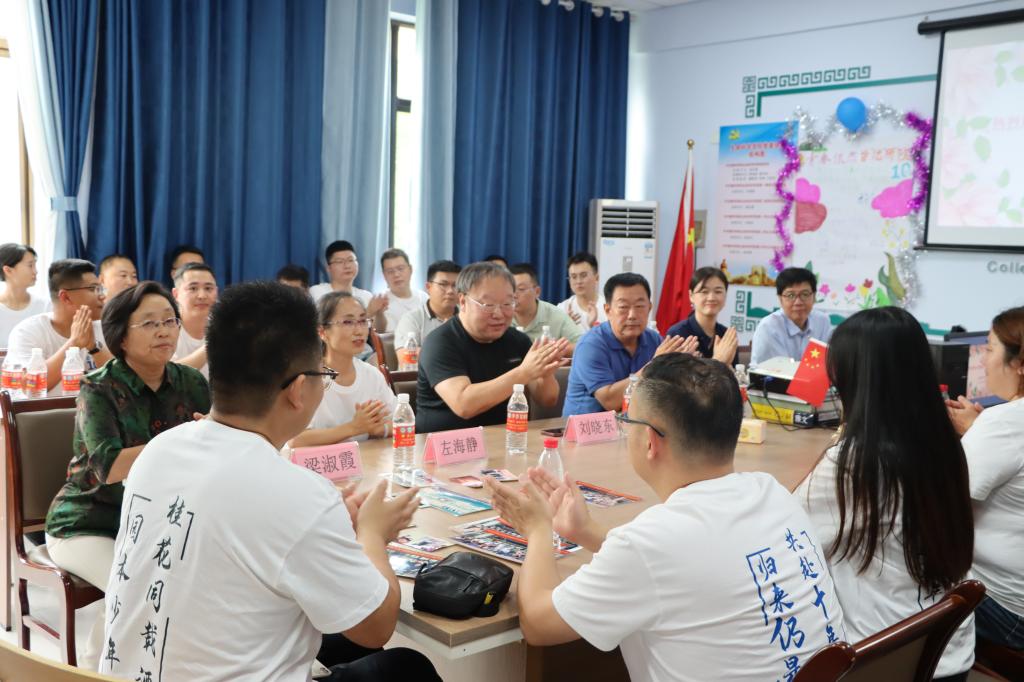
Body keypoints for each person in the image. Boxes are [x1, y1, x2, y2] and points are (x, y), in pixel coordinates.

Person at [102, 281, 439, 682]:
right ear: (297, 389)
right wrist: (373, 534)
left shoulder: (159, 449)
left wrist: (327, 525)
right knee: (405, 667)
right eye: (322, 376)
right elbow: (375, 627)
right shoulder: (296, 492)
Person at [484, 353, 844, 681]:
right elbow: (679, 565)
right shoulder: (772, 492)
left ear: (650, 440)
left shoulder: (651, 542)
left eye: (627, 419)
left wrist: (538, 529)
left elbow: (539, 625)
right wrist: (587, 530)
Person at [795, 307, 975, 680]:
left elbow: (791, 534)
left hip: (883, 661)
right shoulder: (945, 443)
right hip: (948, 654)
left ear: (859, 382)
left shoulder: (856, 462)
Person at [45, 281, 210, 669]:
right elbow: (111, 467)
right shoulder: (98, 388)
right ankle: (94, 672)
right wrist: (186, 437)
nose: (164, 331)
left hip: (160, 522)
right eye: (150, 323)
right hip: (89, 523)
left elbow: (212, 447)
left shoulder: (190, 382)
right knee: (134, 585)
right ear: (120, 335)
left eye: (169, 321)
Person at [947, 306, 1024, 651]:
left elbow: (942, 502)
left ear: (1019, 364)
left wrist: (979, 433)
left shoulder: (1003, 423)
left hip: (1004, 608)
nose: (982, 360)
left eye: (990, 349)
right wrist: (978, 431)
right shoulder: (1000, 424)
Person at [416, 262, 566, 433]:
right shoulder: (440, 342)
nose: (499, 314)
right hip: (445, 443)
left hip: (506, 439)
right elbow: (464, 404)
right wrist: (524, 373)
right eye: (488, 305)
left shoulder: (517, 340)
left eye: (508, 304)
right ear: (463, 301)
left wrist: (545, 373)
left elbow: (548, 400)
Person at [562, 273, 696, 416]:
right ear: (608, 310)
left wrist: (682, 366)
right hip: (587, 427)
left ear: (649, 308)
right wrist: (655, 364)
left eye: (639, 306)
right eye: (623, 307)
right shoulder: (590, 345)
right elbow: (610, 401)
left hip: (633, 424)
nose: (632, 315)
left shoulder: (653, 339)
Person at [290, 292, 396, 447]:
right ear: (322, 332)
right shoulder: (307, 378)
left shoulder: (371, 375)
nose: (359, 331)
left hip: (367, 460)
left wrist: (381, 429)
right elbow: (295, 440)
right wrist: (354, 428)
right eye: (348, 322)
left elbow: (402, 420)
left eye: (363, 321)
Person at [7, 259, 113, 391]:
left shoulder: (104, 328)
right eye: (93, 289)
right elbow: (30, 386)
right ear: (65, 297)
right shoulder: (27, 332)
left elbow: (122, 384)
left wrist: (94, 347)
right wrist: (74, 343)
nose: (102, 296)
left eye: (101, 289)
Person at [750, 267, 832, 366]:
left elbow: (827, 363)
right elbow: (778, 370)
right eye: (790, 295)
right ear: (780, 299)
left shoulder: (822, 322)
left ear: (814, 297)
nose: (798, 302)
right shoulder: (768, 327)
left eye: (805, 294)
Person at [666, 266, 739, 366]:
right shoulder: (678, 334)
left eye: (718, 291)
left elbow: (735, 373)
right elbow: (669, 375)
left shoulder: (726, 336)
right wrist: (718, 361)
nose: (711, 298)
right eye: (704, 292)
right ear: (691, 295)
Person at [510, 263, 582, 351]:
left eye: (521, 289)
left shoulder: (556, 316)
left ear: (537, 292)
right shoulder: (503, 316)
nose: (514, 295)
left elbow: (581, 346)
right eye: (510, 289)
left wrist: (555, 349)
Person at [309, 240, 387, 319]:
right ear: (328, 268)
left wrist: (379, 313)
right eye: (339, 262)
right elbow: (327, 323)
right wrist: (369, 313)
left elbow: (378, 327)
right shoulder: (317, 292)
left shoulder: (366, 296)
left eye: (350, 260)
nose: (347, 266)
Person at [394, 260, 461, 345]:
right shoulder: (412, 319)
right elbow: (406, 353)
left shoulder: (468, 316)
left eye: (455, 285)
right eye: (443, 284)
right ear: (428, 287)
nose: (450, 291)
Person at [171, 262, 217, 377]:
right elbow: (167, 374)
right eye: (193, 288)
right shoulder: (167, 328)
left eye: (208, 288)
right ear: (176, 294)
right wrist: (211, 345)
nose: (202, 296)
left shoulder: (224, 324)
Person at [0, 243, 48, 345]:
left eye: (35, 265)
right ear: (8, 270)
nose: (36, 271)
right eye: (30, 265)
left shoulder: (46, 306)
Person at [375, 248, 428, 333]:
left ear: (410, 269)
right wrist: (379, 314)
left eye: (400, 269)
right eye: (390, 271)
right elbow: (379, 333)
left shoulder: (424, 298)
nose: (396, 275)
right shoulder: (380, 302)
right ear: (384, 275)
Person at [557, 251, 606, 332]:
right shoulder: (562, 309)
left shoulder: (608, 308)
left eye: (583, 275)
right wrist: (566, 328)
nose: (578, 281)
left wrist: (593, 326)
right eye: (574, 277)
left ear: (596, 278)